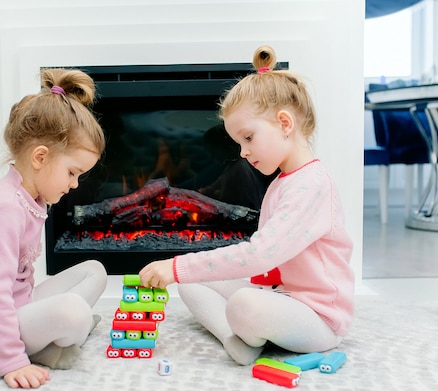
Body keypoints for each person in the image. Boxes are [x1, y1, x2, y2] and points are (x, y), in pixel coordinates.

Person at [138, 45, 355, 366]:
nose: (242, 152)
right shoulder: (284, 180)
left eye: (248, 138)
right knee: (193, 285)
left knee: (243, 303)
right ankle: (234, 338)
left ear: (285, 123)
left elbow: (259, 255)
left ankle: (244, 327)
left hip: (318, 316)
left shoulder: (312, 184)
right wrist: (184, 272)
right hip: (281, 295)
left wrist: (175, 267)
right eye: (239, 142)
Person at [0, 68, 108, 389]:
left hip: (17, 308)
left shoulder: (28, 197)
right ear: (40, 157)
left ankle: (54, 336)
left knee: (94, 271)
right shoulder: (0, 210)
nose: (74, 184)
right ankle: (46, 342)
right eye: (72, 172)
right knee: (74, 312)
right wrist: (10, 360)